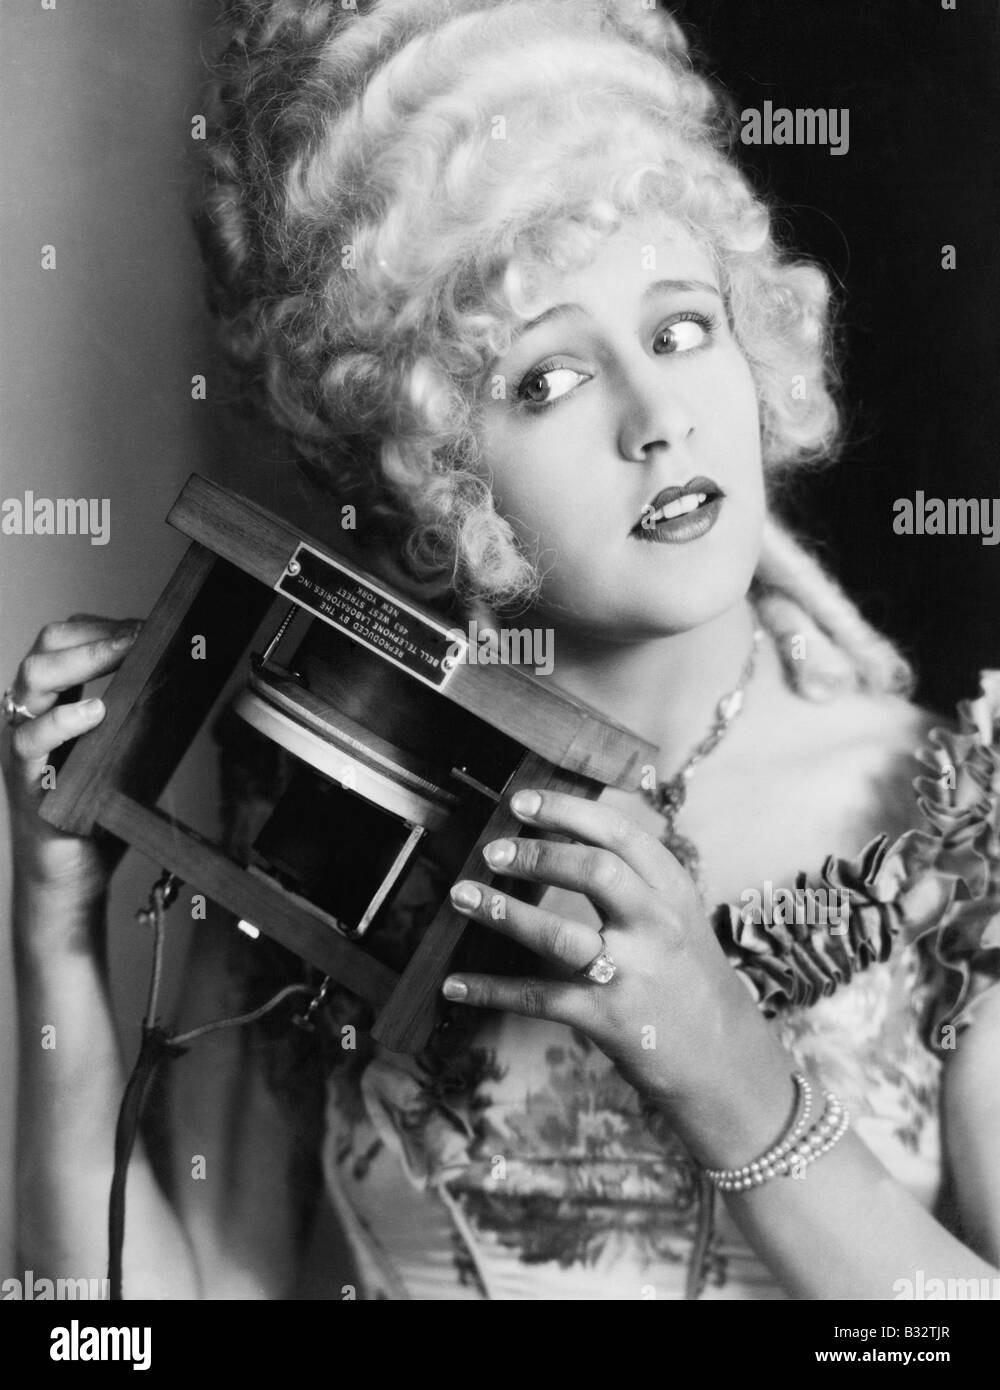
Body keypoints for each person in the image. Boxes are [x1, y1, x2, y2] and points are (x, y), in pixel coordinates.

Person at [4, 0, 999, 1301]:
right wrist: (54, 938)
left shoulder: (948, 826)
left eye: (683, 327)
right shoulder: (330, 808)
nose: (656, 420)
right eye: (546, 378)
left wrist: (741, 1091)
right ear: (437, 458)